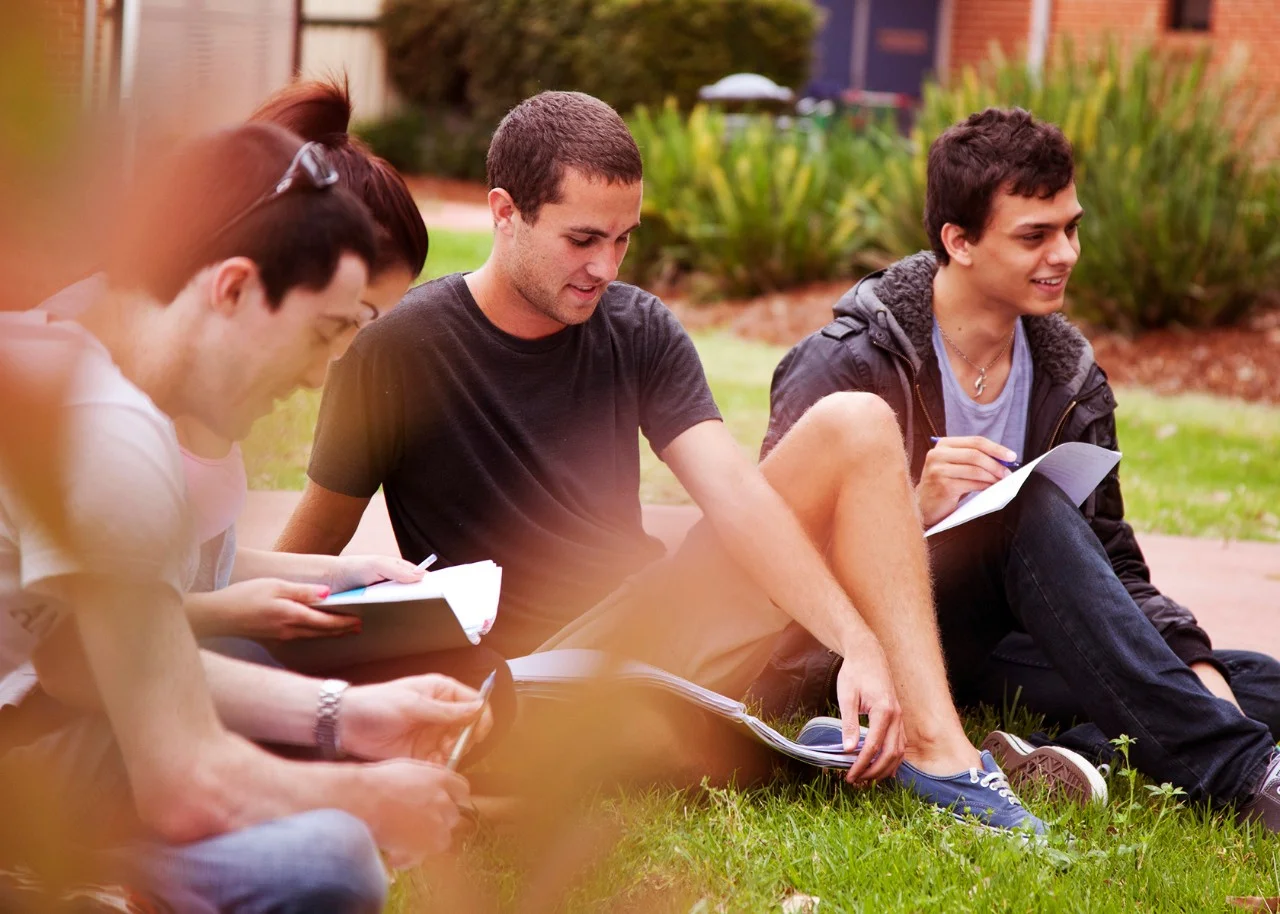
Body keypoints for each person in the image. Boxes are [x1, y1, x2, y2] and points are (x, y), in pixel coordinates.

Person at [276, 90, 1078, 836]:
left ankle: (941, 755)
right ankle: (806, 749)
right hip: (529, 677)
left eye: (623, 239)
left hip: (658, 634)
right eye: (582, 239)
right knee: (601, 758)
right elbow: (303, 557)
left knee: (858, 426)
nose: (606, 267)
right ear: (504, 213)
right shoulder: (394, 351)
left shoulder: (638, 327)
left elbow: (734, 493)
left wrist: (858, 642)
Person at [0, 123, 493, 911]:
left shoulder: (72, 375)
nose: (317, 376)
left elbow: (82, 664)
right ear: (231, 287)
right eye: (325, 333)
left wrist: (353, 718)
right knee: (327, 860)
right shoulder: (112, 434)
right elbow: (186, 781)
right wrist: (372, 799)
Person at [761, 107, 1280, 826]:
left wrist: (1196, 668)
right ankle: (1242, 774)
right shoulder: (851, 361)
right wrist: (912, 512)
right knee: (1023, 508)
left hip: (998, 645)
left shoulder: (1071, 377)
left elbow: (1116, 569)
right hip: (854, 657)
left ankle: (1054, 756)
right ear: (960, 241)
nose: (1065, 252)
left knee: (1251, 677)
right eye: (1035, 235)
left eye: (1071, 227)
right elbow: (766, 562)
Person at [38, 78, 514, 734]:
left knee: (461, 677)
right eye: (339, 325)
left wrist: (344, 572)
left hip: (126, 671)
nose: (330, 367)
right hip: (74, 706)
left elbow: (190, 561)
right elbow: (78, 645)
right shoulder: (110, 398)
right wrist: (257, 635)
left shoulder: (200, 382)